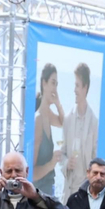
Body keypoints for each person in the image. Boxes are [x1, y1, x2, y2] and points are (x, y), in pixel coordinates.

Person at [59, 63, 97, 193]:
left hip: (87, 189)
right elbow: (62, 153)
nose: (74, 90)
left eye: (77, 85)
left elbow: (96, 156)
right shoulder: (68, 119)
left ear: (85, 87)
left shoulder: (94, 122)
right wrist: (66, 164)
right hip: (69, 189)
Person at [32, 64, 64, 194]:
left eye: (57, 84)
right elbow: (31, 173)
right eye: (52, 83)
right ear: (43, 83)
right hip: (38, 194)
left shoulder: (47, 113)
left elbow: (63, 123)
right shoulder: (38, 120)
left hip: (49, 190)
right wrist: (52, 163)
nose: (55, 89)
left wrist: (58, 103)